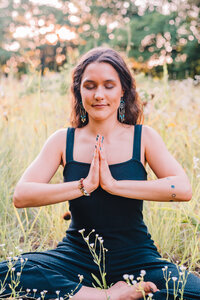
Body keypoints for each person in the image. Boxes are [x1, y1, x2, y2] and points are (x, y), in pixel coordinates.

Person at [0, 47, 200, 300]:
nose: (98, 95)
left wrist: (114, 185)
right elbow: (22, 195)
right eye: (90, 86)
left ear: (123, 90)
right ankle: (106, 296)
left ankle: (91, 296)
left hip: (137, 257)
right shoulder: (63, 140)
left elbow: (182, 188)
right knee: (9, 272)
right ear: (79, 91)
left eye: (108, 85)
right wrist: (86, 185)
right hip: (76, 256)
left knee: (193, 292)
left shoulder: (143, 137)